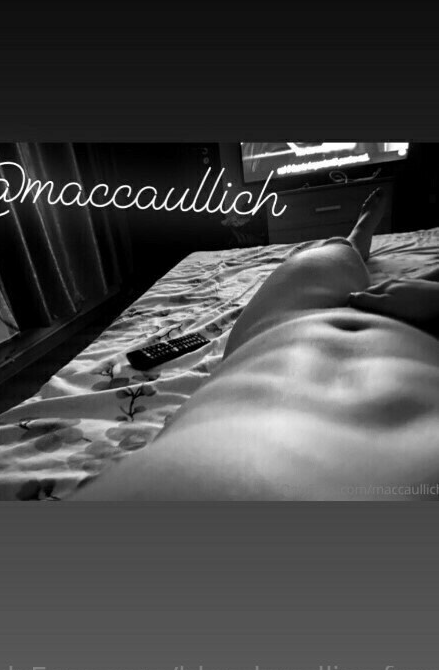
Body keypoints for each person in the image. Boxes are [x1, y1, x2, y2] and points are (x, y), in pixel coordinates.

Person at [73, 189, 439, 501]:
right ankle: (359, 237)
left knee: (324, 261)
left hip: (273, 334)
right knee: (331, 255)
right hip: (284, 329)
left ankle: (360, 242)